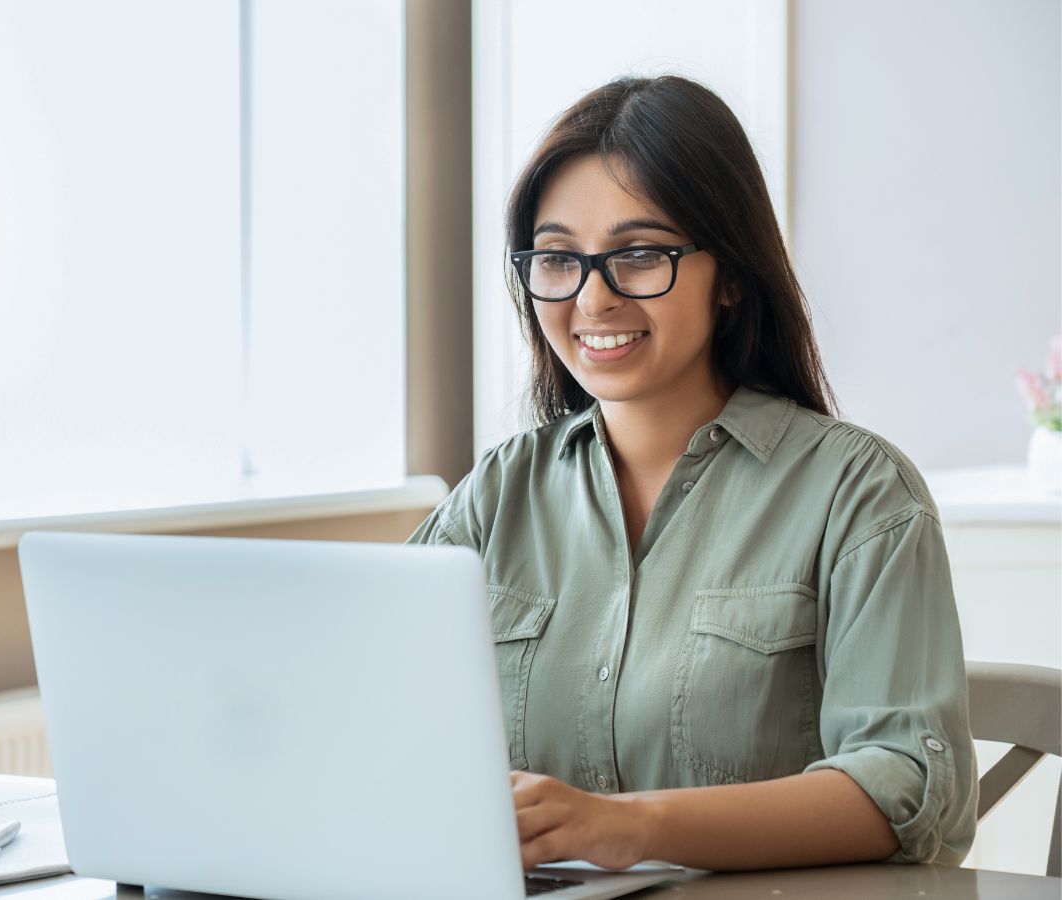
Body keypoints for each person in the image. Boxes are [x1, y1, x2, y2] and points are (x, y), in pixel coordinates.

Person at [406, 75, 978, 872]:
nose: (592, 298)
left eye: (639, 254)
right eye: (558, 259)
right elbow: (376, 726)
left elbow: (907, 786)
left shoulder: (861, 494)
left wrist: (624, 826)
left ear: (733, 276)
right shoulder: (492, 498)